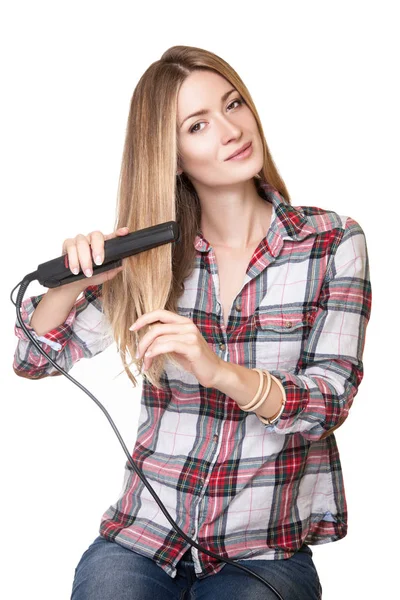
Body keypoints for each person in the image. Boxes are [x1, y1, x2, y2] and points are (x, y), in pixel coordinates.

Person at [13, 45, 372, 600]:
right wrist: (72, 281)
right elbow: (32, 359)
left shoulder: (331, 243)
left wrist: (218, 370)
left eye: (234, 105)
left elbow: (330, 400)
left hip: (262, 550)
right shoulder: (149, 254)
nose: (230, 130)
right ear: (172, 154)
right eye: (199, 125)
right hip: (143, 538)